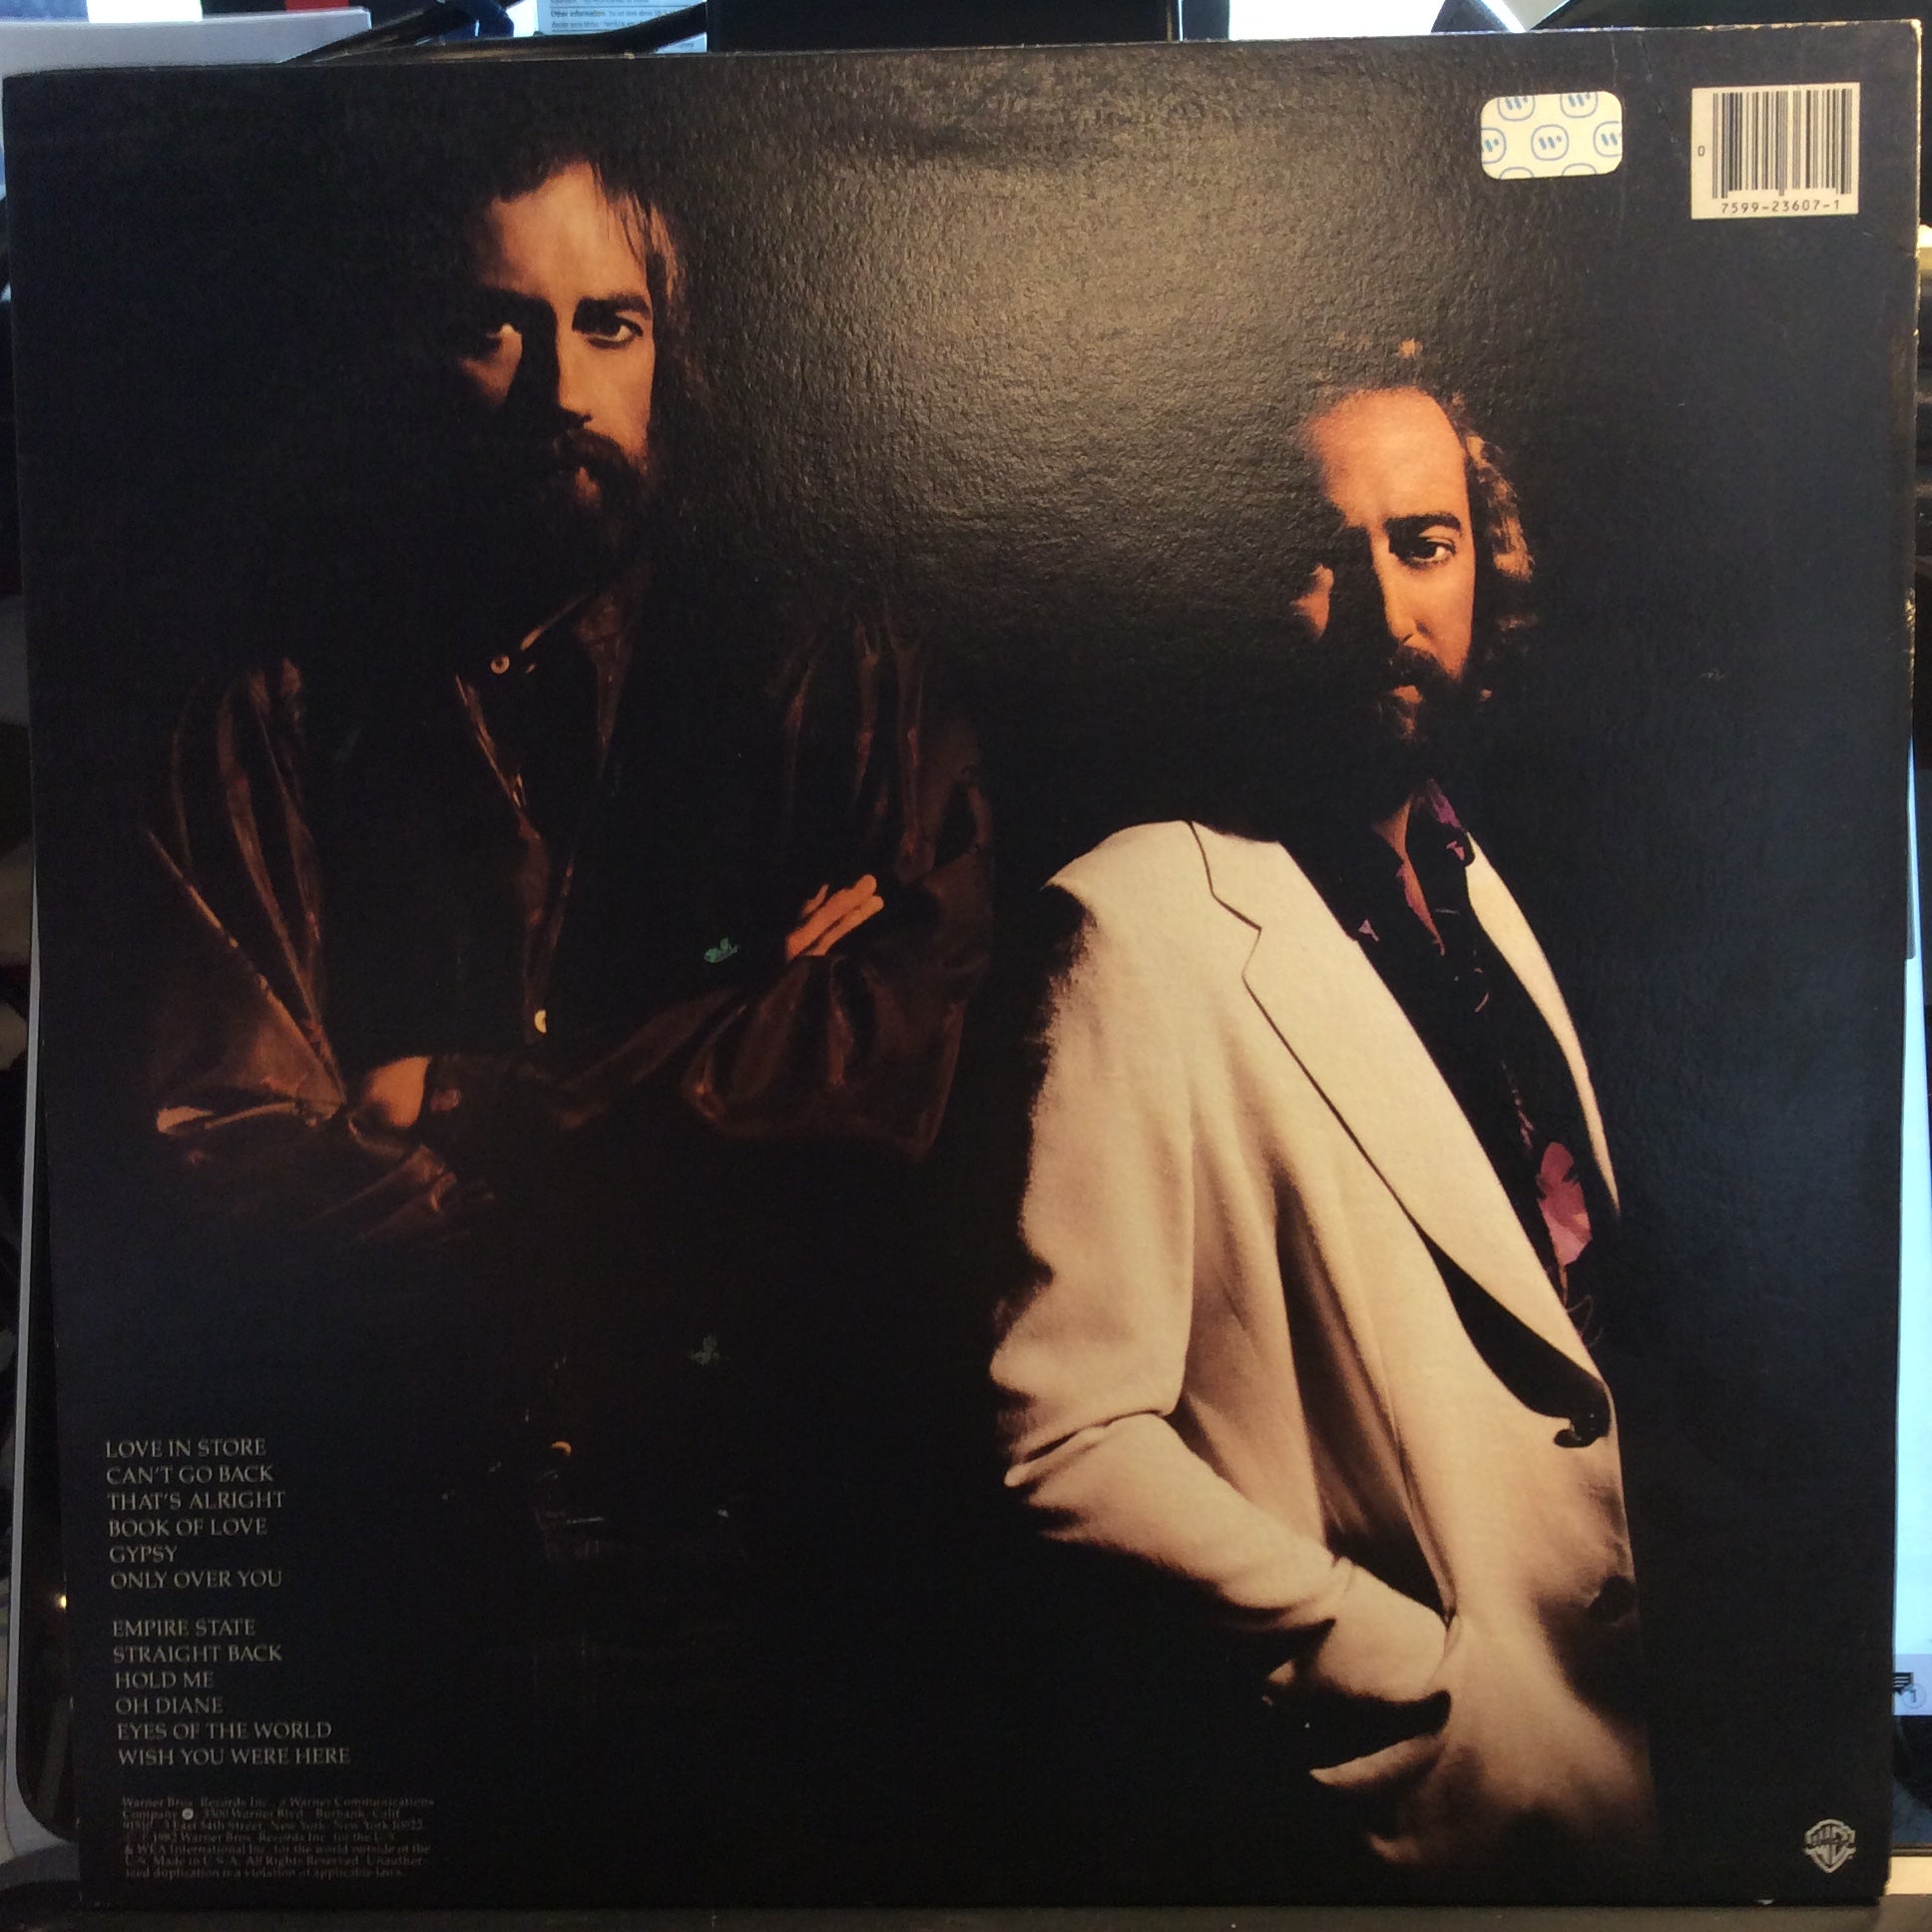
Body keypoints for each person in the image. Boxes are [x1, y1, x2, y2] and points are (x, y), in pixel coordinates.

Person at [990, 350, 1654, 1890]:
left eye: (1425, 544)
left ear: (1485, 570)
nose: (1382, 608)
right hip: (1430, 1818)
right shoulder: (1132, 918)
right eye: (1319, 553)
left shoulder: (1470, 875)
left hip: (1619, 1773)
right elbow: (1064, 1442)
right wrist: (1425, 1688)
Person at [142, 146, 992, 1245]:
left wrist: (449, 1098)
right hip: (427, 1349)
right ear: (411, 358)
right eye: (494, 328)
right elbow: (230, 1148)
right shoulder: (274, 715)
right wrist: (725, 1031)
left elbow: (887, 1050)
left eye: (609, 326)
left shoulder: (835, 669)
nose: (562, 390)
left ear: (668, 353)